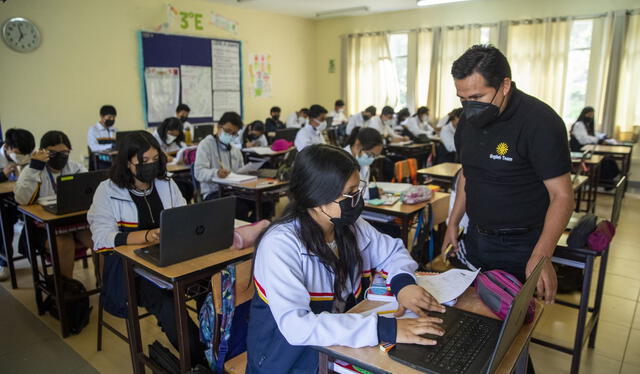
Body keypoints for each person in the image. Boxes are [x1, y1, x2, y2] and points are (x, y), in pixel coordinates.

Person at [246, 144, 445, 373]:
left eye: (358, 189)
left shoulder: (347, 225)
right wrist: (386, 329)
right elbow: (297, 327)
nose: (359, 200)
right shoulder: (280, 245)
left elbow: (392, 251)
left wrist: (404, 285)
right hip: (288, 359)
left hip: (335, 345)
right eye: (351, 193)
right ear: (318, 197)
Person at [443, 45, 574, 313]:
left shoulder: (540, 122)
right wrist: (453, 223)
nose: (470, 107)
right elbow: (468, 175)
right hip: (476, 236)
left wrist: (541, 255)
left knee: (510, 329)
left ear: (505, 85)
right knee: (470, 319)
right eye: (463, 99)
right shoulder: (467, 122)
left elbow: (562, 196)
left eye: (478, 96)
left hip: (520, 245)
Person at [87, 131, 204, 366]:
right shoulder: (107, 191)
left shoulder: (166, 185)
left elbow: (184, 216)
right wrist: (147, 235)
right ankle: (199, 360)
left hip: (172, 259)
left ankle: (214, 344)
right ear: (127, 162)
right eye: (144, 162)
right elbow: (100, 238)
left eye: (155, 160)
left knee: (213, 285)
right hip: (132, 272)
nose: (151, 166)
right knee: (168, 305)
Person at [15, 131, 92, 279]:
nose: (59, 157)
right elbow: (22, 199)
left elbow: (88, 193)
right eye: (53, 153)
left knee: (101, 240)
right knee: (64, 244)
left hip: (74, 221)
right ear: (43, 152)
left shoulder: (75, 168)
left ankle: (105, 288)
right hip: (42, 226)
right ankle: (67, 291)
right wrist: (35, 168)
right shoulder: (32, 170)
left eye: (64, 152)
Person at [0, 128, 35, 281]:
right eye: (18, 152)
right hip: (4, 200)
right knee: (5, 221)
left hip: (21, 196)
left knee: (35, 216)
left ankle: (30, 250)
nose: (21, 156)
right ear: (7, 146)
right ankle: (4, 263)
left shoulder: (27, 157)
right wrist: (2, 174)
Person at [194, 112, 244, 200]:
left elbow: (241, 171)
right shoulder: (206, 145)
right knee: (239, 207)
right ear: (218, 127)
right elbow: (199, 173)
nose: (230, 135)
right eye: (227, 131)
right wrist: (216, 173)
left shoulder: (235, 149)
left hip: (234, 190)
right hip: (213, 191)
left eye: (234, 133)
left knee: (265, 203)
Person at [569, 107, 620, 182]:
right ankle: (605, 181)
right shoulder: (579, 124)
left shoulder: (587, 124)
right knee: (603, 159)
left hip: (587, 148)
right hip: (580, 150)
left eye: (592, 115)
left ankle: (611, 179)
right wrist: (599, 140)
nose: (590, 117)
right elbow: (584, 139)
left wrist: (603, 136)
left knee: (608, 157)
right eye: (588, 114)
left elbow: (593, 134)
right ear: (584, 114)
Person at [87, 105, 118, 169]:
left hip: (114, 159)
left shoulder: (115, 130)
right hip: (100, 161)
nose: (112, 119)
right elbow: (93, 147)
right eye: (109, 117)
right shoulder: (93, 130)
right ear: (101, 116)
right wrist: (110, 146)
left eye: (114, 117)